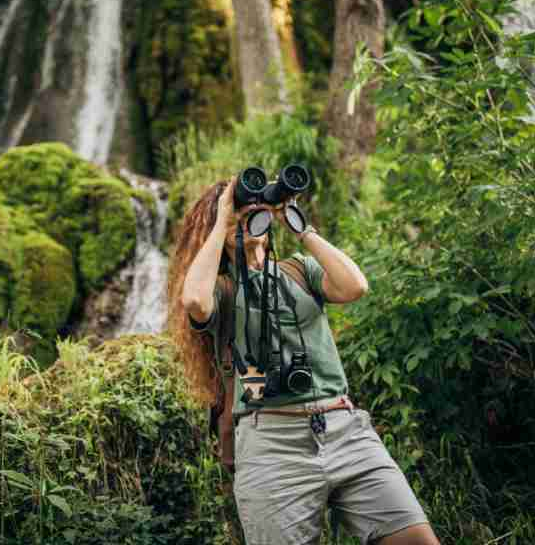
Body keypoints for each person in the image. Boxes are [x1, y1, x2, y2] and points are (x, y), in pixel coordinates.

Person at [168, 176, 440, 545]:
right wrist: (222, 222)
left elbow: (354, 285)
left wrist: (297, 222)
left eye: (256, 212)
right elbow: (194, 302)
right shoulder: (224, 290)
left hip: (344, 428)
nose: (251, 219)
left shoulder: (299, 269)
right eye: (241, 214)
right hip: (271, 447)